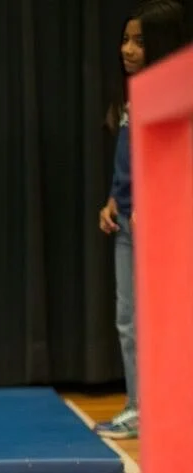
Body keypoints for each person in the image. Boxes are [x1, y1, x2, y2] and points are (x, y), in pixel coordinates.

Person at [95, 0, 189, 440]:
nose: (127, 49)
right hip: (129, 226)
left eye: (139, 41)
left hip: (166, 226)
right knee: (128, 320)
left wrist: (158, 206)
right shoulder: (129, 98)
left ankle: (171, 412)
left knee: (168, 324)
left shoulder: (178, 100)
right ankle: (138, 408)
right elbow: (129, 163)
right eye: (125, 39)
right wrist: (113, 201)